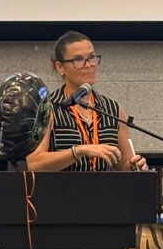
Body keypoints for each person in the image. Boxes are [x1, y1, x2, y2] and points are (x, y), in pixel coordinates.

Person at [26, 31, 149, 173]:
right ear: (60, 67)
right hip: (63, 192)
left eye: (91, 57)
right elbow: (35, 163)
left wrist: (135, 166)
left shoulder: (113, 109)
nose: (88, 65)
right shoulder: (48, 108)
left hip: (104, 192)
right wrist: (78, 151)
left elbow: (123, 164)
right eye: (78, 60)